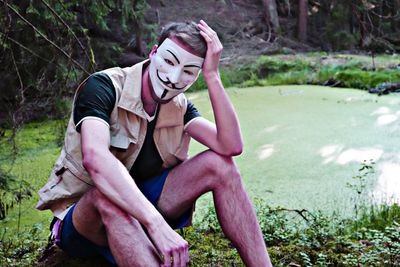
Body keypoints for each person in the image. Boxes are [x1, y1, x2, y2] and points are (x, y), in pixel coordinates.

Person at [36, 20, 272, 267]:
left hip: (142, 210)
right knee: (106, 197)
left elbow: (230, 146)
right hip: (83, 222)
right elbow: (95, 159)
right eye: (169, 61)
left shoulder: (180, 107)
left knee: (220, 164)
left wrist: (212, 75)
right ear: (153, 52)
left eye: (189, 71)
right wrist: (155, 223)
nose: (173, 78)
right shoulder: (104, 86)